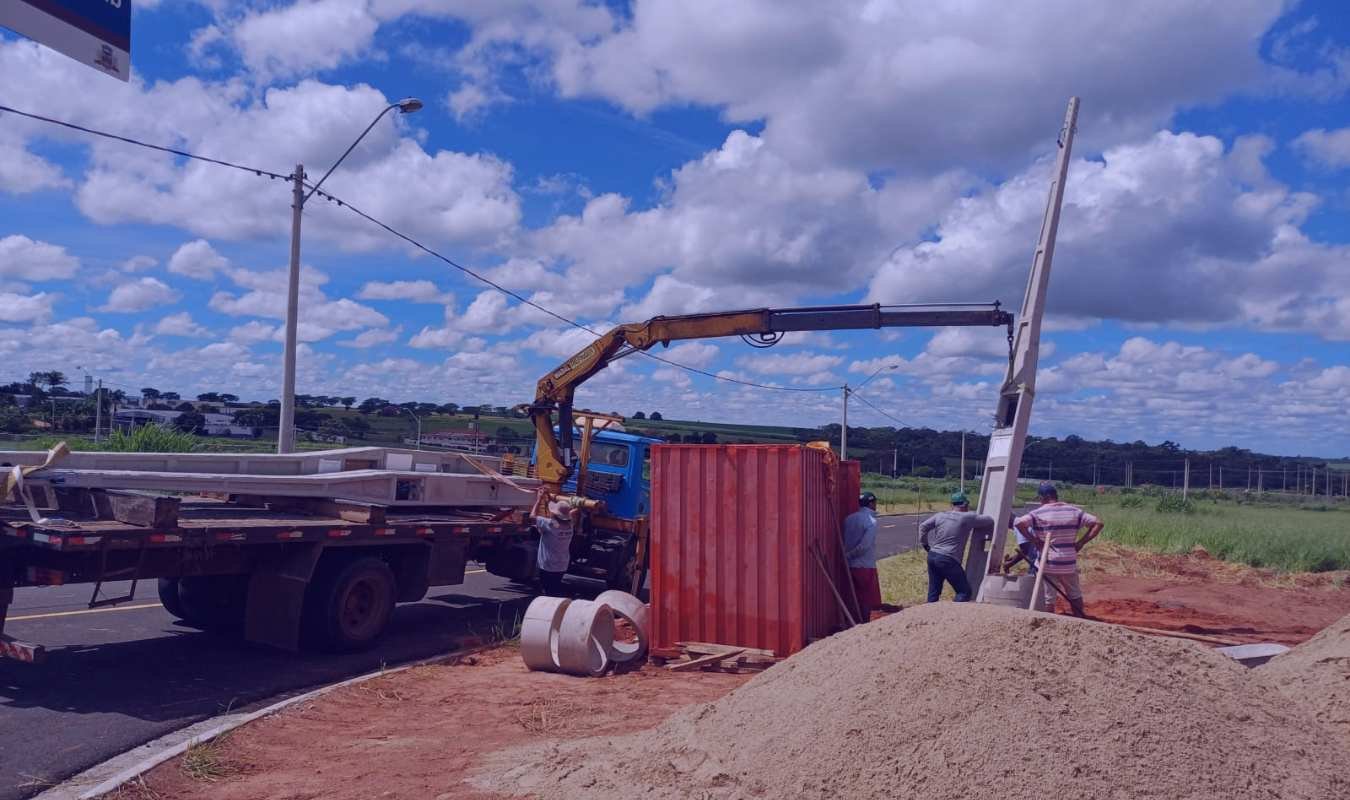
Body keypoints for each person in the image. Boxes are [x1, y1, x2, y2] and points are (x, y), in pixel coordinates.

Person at [1014, 482, 1104, 618]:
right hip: (1068, 562)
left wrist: (1035, 540)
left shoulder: (1038, 513)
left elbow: (1019, 523)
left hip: (1048, 562)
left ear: (1044, 497)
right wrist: (1081, 542)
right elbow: (1098, 523)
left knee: (1049, 597)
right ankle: (1079, 619)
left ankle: (1049, 621)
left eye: (1040, 498)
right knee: (1074, 593)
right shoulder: (1074, 511)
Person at [919, 491, 994, 603]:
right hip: (948, 558)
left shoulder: (940, 515)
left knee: (934, 591)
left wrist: (925, 545)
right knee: (964, 592)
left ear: (952, 504)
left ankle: (928, 617)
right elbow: (990, 520)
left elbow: (923, 526)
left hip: (933, 555)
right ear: (965, 504)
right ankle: (954, 617)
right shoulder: (968, 517)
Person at [842, 491, 883, 621]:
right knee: (866, 598)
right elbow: (864, 546)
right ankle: (863, 622)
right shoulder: (871, 521)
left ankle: (851, 620)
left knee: (852, 595)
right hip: (865, 565)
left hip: (849, 565)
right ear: (870, 503)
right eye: (875, 503)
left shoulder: (848, 519)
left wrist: (846, 557)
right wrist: (850, 555)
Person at [535, 499, 576, 596]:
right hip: (562, 564)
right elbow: (570, 514)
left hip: (548, 565)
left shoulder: (549, 524)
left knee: (547, 590)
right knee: (553, 589)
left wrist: (539, 499)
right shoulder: (570, 526)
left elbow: (532, 516)